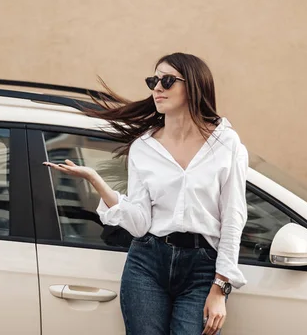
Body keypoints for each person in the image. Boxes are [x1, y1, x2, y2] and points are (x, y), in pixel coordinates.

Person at [43, 52, 248, 335]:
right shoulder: (144, 147)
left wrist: (220, 287)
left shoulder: (226, 143)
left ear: (194, 86)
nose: (157, 88)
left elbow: (233, 216)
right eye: (153, 80)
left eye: (167, 80)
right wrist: (96, 180)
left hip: (202, 269)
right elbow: (139, 222)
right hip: (147, 263)